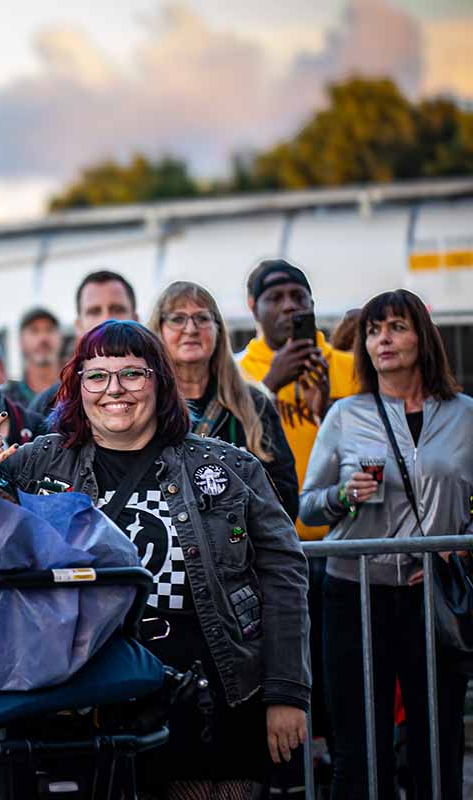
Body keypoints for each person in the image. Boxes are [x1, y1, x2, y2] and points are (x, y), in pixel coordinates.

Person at [0, 320, 311, 798]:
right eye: (96, 376)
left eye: (132, 374)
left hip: (211, 687)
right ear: (77, 386)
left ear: (159, 381)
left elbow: (284, 577)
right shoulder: (37, 462)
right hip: (85, 689)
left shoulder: (229, 467)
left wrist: (287, 693)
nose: (113, 390)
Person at [300, 289, 471, 800]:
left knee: (435, 742)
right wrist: (342, 496)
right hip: (355, 594)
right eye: (374, 331)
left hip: (432, 598)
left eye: (396, 326)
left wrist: (459, 551)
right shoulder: (345, 415)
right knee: (359, 746)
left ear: (423, 336)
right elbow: (307, 506)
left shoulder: (464, 414)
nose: (383, 339)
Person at [148, 281, 298, 519]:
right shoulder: (145, 406)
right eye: (178, 319)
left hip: (239, 546)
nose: (191, 329)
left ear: (218, 330)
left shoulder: (254, 404)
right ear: (158, 330)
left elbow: (285, 495)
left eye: (202, 318)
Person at [236, 258, 358, 542]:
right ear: (253, 307)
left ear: (312, 305)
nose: (289, 305)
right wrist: (269, 385)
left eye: (299, 296)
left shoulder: (352, 368)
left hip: (348, 540)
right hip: (270, 540)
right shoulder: (236, 373)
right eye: (275, 298)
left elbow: (373, 448)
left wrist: (326, 412)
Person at [30, 269, 137, 417]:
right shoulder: (48, 404)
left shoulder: (163, 388)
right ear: (78, 326)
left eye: (117, 309)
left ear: (136, 319)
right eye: (94, 312)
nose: (107, 319)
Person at [2, 307, 61, 408]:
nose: (43, 338)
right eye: (34, 330)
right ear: (21, 341)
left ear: (60, 338)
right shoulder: (6, 399)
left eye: (49, 329)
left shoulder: (78, 390)